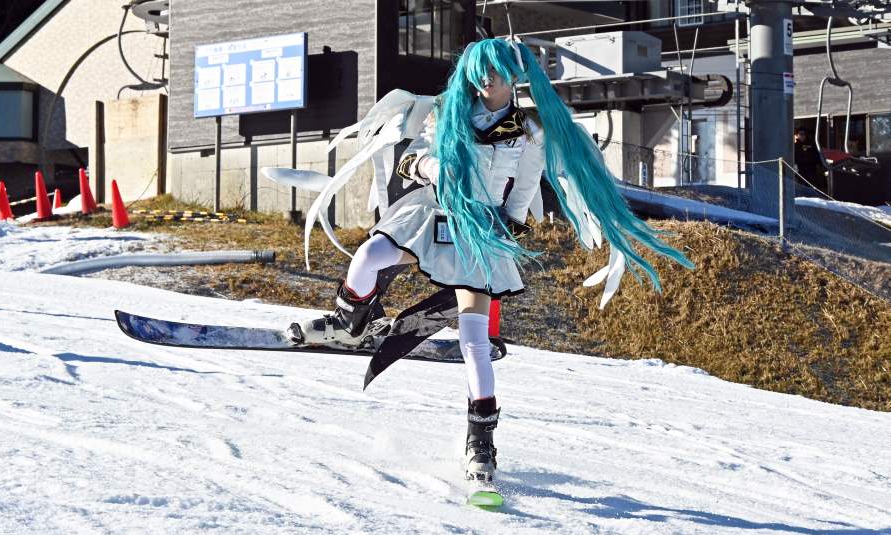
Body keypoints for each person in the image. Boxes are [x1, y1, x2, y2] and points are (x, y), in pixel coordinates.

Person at [295, 38, 694, 487]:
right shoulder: (447, 112)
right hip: (434, 212)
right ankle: (349, 323)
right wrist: (431, 168)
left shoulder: (529, 131)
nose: (488, 78)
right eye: (481, 70)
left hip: (482, 230)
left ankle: (480, 443)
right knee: (370, 255)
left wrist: (509, 237)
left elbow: (523, 193)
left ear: (514, 76)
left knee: (473, 341)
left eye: (498, 70)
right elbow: (408, 161)